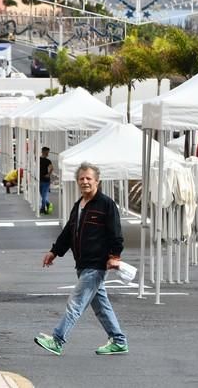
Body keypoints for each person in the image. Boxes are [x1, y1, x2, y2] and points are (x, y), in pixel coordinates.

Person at [34, 162, 128, 356]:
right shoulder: (79, 205)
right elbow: (69, 232)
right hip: (83, 265)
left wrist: (114, 256)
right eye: (81, 179)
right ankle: (118, 341)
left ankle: (57, 340)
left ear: (97, 181)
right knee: (101, 307)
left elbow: (116, 234)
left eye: (89, 179)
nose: (85, 182)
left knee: (75, 303)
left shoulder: (106, 204)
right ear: (77, 181)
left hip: (96, 265)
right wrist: (54, 252)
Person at [39, 146, 53, 215]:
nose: (48, 153)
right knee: (42, 195)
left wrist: (48, 174)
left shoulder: (45, 160)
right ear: (44, 152)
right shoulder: (45, 160)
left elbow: (51, 168)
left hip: (44, 180)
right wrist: (49, 174)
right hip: (42, 179)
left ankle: (42, 208)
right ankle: (48, 204)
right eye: (47, 152)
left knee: (43, 195)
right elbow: (51, 168)